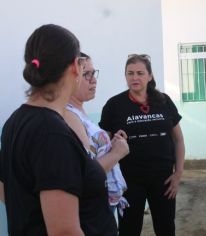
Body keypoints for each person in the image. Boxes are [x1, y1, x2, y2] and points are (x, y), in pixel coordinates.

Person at [0, 24, 117, 235]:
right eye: (83, 67)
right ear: (75, 66)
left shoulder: (15, 121)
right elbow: (64, 232)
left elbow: (8, 190)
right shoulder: (51, 133)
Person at [99, 54, 185, 236]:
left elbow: (178, 140)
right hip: (129, 182)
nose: (135, 77)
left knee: (166, 228)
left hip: (164, 180)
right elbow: (103, 145)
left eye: (140, 73)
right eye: (130, 73)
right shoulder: (114, 105)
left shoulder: (164, 101)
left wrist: (178, 174)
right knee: (129, 229)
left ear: (150, 76)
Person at [64, 52, 130, 217]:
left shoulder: (78, 111)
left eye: (93, 73)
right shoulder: (68, 115)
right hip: (93, 210)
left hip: (104, 203)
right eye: (86, 74)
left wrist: (110, 143)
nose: (93, 79)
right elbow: (86, 173)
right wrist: (117, 153)